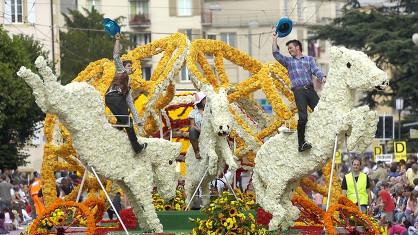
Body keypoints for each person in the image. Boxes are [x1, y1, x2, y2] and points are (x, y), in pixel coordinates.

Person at [272, 35, 326, 152]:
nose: (289, 50)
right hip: (299, 91)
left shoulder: (309, 59)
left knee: (321, 111)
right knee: (303, 117)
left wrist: (322, 77)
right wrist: (274, 39)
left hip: (310, 90)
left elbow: (315, 70)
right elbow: (276, 54)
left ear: (297, 48)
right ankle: (301, 144)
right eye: (288, 49)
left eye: (291, 48)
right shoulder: (288, 62)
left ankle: (322, 136)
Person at [105, 33, 147, 154]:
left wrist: (138, 120)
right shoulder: (121, 70)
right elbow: (116, 56)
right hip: (114, 97)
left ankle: (109, 138)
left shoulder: (127, 86)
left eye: (130, 66)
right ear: (123, 67)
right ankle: (137, 147)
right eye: (128, 66)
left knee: (122, 122)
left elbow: (130, 103)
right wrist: (117, 40)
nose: (130, 68)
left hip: (110, 99)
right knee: (127, 121)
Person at [188, 92, 206, 160]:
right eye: (204, 99)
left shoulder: (210, 110)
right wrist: (200, 130)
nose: (206, 101)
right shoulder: (194, 112)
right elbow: (192, 125)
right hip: (199, 131)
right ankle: (196, 151)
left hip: (210, 132)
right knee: (192, 130)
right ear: (200, 102)